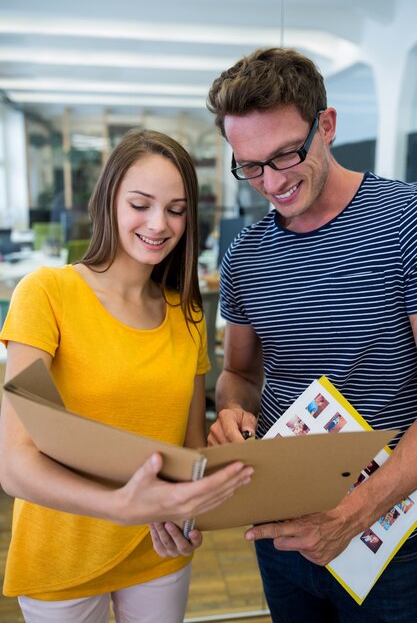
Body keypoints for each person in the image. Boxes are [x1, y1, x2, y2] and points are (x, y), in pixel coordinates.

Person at [0, 128, 253, 623]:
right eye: (141, 204)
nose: (159, 224)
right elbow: (13, 465)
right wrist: (122, 505)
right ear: (109, 200)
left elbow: (190, 453)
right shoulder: (47, 294)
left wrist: (192, 512)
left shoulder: (188, 316)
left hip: (158, 550)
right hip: (64, 554)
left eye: (177, 210)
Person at [205, 47, 417, 622]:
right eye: (249, 165)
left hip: (391, 535)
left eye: (284, 155)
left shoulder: (406, 221)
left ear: (325, 125)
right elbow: (241, 374)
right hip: (283, 526)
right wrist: (230, 413)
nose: (270, 182)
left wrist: (354, 514)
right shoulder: (245, 254)